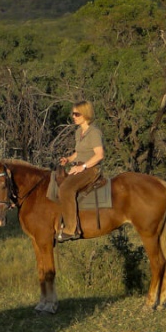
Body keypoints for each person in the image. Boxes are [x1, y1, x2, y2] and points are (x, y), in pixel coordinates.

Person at [57, 100, 104, 242]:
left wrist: (82, 167)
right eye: (73, 114)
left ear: (85, 114)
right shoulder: (79, 132)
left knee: (66, 189)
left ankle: (71, 229)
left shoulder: (94, 132)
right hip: (78, 166)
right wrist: (68, 159)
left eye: (76, 114)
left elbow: (99, 155)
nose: (73, 116)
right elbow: (78, 153)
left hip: (91, 168)